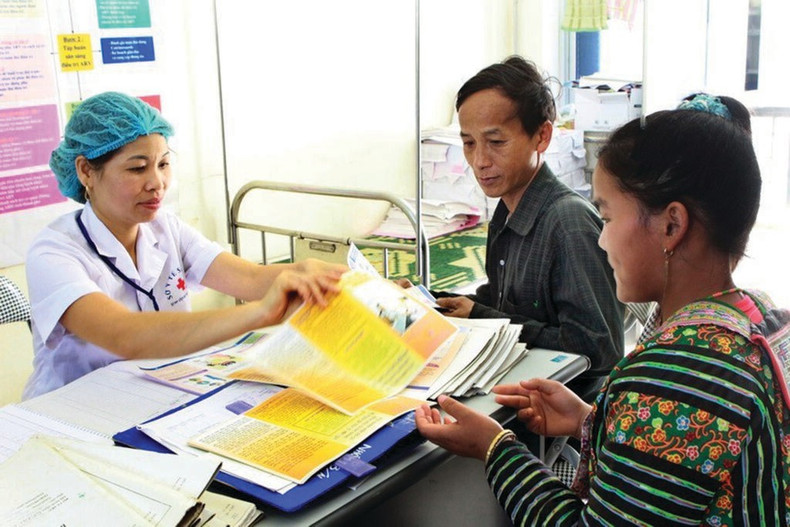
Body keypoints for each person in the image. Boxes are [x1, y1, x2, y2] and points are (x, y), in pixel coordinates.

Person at [415, 94, 790, 525]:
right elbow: (688, 455)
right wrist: (592, 420)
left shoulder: (676, 378)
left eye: (608, 217)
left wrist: (495, 448)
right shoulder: (760, 318)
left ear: (671, 225)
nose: (601, 240)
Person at [23, 92, 345, 399]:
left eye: (163, 164)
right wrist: (262, 312)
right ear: (85, 171)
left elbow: (249, 279)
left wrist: (344, 285)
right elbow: (125, 335)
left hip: (149, 395)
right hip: (71, 413)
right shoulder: (54, 252)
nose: (157, 183)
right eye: (137, 168)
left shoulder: (167, 229)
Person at [429, 56, 623, 398]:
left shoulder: (568, 224)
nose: (479, 161)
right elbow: (502, 302)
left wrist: (483, 314)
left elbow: (598, 348)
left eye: (496, 142)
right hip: (511, 383)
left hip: (561, 414)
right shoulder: (505, 213)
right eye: (469, 143)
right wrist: (426, 301)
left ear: (542, 136)